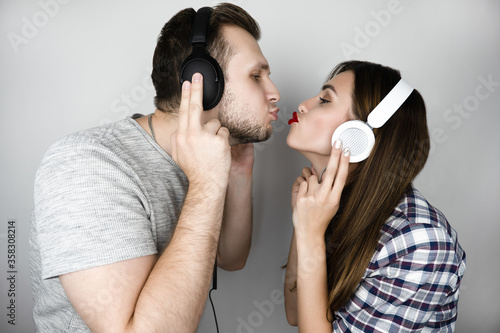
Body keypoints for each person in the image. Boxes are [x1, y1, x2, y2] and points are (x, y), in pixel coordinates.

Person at [29, 3, 280, 332]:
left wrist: (237, 171)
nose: (275, 93)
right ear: (201, 81)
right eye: (256, 76)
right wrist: (205, 184)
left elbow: (231, 259)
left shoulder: (207, 154)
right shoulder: (86, 165)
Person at [283, 60, 466, 332]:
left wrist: (310, 234)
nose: (303, 105)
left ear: (358, 136)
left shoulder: (421, 242)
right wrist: (305, 223)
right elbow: (296, 312)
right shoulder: (327, 205)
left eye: (324, 100)